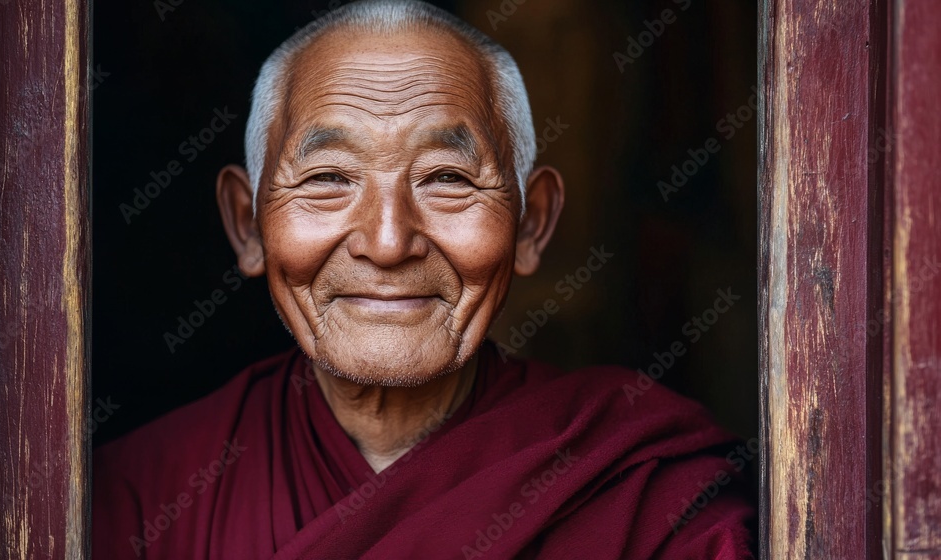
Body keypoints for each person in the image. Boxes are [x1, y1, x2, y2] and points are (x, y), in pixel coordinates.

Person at [94, 1, 755, 558]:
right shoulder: (135, 500)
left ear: (532, 225)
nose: (387, 243)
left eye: (447, 178)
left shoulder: (643, 492)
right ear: (247, 226)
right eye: (329, 179)